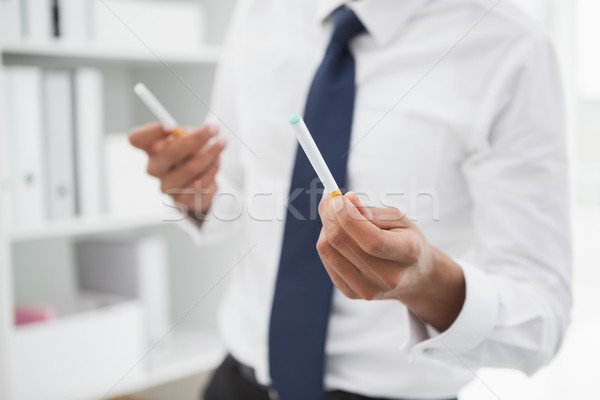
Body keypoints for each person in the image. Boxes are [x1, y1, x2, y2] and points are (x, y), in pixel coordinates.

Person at [129, 0, 572, 399]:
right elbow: (234, 198)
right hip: (236, 381)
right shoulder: (257, 12)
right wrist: (195, 190)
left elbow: (542, 315)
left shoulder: (511, 46)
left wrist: (428, 282)